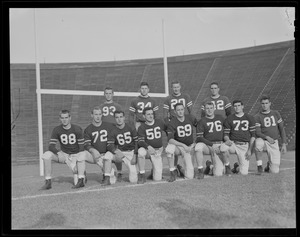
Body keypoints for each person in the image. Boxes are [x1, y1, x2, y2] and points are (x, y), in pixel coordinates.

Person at [40, 110, 86, 190]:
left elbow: (81, 146)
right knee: (46, 155)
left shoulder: (77, 129)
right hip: (64, 154)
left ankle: (82, 175)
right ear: (60, 119)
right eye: (62, 118)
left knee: (76, 174)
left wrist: (76, 160)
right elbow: (51, 146)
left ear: (70, 118)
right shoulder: (57, 129)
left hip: (76, 154)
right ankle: (48, 182)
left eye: (66, 117)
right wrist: (58, 153)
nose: (64, 120)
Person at [194, 102, 231, 178]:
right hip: (208, 145)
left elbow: (227, 130)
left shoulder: (221, 118)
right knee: (198, 147)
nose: (209, 110)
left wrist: (226, 140)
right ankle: (200, 171)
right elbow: (199, 137)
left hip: (219, 145)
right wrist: (211, 145)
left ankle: (210, 165)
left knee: (218, 174)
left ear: (214, 109)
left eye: (211, 108)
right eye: (207, 108)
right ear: (204, 110)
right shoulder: (202, 121)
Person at [103, 110, 139, 185]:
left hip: (131, 152)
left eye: (121, 117)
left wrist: (135, 155)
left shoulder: (130, 127)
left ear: (124, 118)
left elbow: (136, 142)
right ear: (114, 119)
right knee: (107, 156)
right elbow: (109, 145)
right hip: (120, 152)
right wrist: (116, 151)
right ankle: (108, 176)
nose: (119, 119)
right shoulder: (112, 130)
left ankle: (134, 172)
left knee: (133, 180)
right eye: (117, 117)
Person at [83, 106, 117, 184]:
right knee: (81, 155)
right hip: (96, 156)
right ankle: (82, 175)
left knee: (112, 181)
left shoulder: (109, 126)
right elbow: (86, 144)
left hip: (106, 155)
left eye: (99, 114)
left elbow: (116, 138)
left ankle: (110, 172)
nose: (98, 117)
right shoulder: (88, 129)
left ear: (102, 115)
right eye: (96, 114)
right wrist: (92, 150)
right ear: (92, 115)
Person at [221, 100, 256, 175]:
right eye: (235, 106)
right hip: (233, 144)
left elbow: (253, 136)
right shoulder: (230, 118)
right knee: (223, 148)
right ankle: (227, 167)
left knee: (243, 173)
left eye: (239, 105)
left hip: (244, 145)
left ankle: (236, 167)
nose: (237, 107)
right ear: (233, 107)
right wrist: (227, 140)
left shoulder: (249, 118)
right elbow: (226, 134)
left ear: (242, 106)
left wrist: (250, 150)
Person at [254, 95, 287, 174]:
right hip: (263, 141)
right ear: (260, 104)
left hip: (273, 142)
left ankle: (269, 165)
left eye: (266, 103)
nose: (264, 105)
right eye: (263, 103)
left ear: (270, 103)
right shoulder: (257, 116)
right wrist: (267, 137)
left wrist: (284, 144)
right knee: (258, 143)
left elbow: (281, 129)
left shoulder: (276, 113)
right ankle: (259, 166)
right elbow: (257, 132)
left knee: (274, 171)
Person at [165, 103, 198, 182]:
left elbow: (200, 127)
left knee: (190, 176)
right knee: (169, 149)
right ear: (175, 112)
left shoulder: (190, 118)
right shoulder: (172, 122)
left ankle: (180, 169)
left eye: (182, 109)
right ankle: (172, 171)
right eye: (178, 110)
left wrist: (195, 142)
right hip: (179, 147)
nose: (180, 112)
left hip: (189, 147)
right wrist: (183, 145)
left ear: (184, 110)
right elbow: (170, 140)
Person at [136, 107, 168, 184]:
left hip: (157, 151)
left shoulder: (159, 122)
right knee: (141, 152)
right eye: (148, 114)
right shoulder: (142, 127)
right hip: (147, 150)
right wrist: (148, 147)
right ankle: (141, 174)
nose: (150, 116)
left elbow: (168, 130)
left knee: (157, 179)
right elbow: (140, 141)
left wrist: (168, 142)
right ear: (144, 116)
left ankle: (153, 171)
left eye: (152, 114)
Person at [99, 87, 123, 180]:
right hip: (105, 132)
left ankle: (120, 172)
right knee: (105, 153)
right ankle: (105, 172)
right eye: (106, 93)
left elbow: (120, 120)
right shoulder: (101, 107)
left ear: (113, 94)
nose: (108, 95)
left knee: (116, 151)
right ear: (104, 94)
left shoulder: (118, 106)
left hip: (115, 131)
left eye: (110, 93)